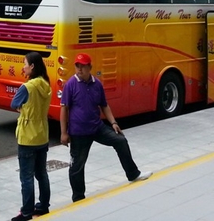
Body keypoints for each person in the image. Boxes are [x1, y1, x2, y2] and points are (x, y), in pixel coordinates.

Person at [60, 52, 150, 203]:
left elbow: (104, 105)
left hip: (97, 127)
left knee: (120, 141)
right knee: (77, 166)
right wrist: (63, 133)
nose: (79, 69)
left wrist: (114, 123)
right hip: (79, 132)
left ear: (90, 68)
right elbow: (64, 108)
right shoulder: (71, 84)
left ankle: (133, 174)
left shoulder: (97, 84)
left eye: (83, 66)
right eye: (77, 66)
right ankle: (78, 198)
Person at [9, 52, 52, 221]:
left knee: (26, 177)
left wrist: (23, 109)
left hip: (27, 137)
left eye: (25, 63)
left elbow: (14, 104)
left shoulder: (27, 87)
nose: (23, 67)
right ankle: (43, 206)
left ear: (32, 66)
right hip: (42, 134)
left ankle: (26, 212)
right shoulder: (46, 84)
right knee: (41, 173)